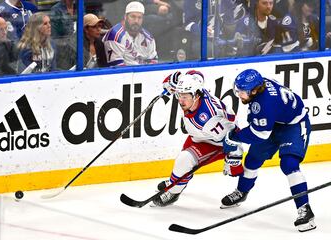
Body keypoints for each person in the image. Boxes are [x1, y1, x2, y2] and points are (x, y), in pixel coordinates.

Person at [221, 69, 316, 232]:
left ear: (255, 90)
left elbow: (259, 134)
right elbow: (261, 128)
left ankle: (305, 209)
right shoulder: (260, 88)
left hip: (294, 125)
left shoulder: (264, 103)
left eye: (242, 92)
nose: (239, 95)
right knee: (252, 160)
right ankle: (242, 192)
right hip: (275, 123)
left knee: (289, 164)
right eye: (238, 90)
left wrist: (236, 137)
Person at [151, 70, 244, 207]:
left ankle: (173, 192)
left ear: (195, 96)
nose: (180, 101)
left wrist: (233, 158)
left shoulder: (207, 118)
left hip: (214, 144)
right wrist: (173, 80)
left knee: (184, 160)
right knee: (181, 164)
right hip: (198, 136)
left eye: (184, 97)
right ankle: (175, 180)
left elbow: (232, 136)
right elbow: (196, 74)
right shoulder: (196, 88)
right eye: (179, 95)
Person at [102, 1, 158, 66]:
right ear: (125, 17)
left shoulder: (148, 37)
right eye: (133, 17)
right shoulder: (115, 35)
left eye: (139, 17)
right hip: (124, 74)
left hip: (144, 73)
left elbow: (153, 61)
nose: (136, 21)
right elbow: (117, 67)